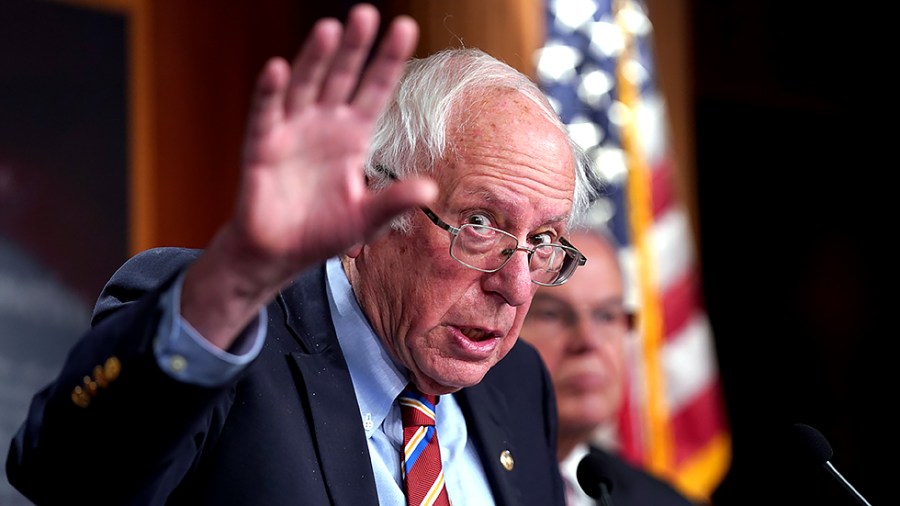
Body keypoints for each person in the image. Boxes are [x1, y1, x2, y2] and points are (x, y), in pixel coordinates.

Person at [6, 4, 603, 505]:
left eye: (543, 242)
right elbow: (66, 477)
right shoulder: (225, 327)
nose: (518, 286)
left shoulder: (520, 383)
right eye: (479, 224)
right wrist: (237, 276)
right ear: (373, 202)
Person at [518, 221, 696, 506]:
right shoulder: (440, 477)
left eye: (607, 316)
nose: (588, 341)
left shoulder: (662, 501)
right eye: (551, 314)